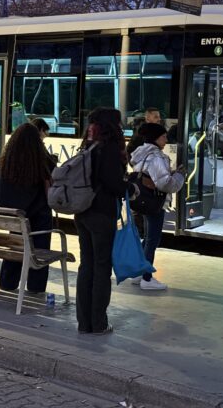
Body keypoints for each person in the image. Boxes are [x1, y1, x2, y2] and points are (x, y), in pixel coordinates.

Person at [75, 107, 138, 335]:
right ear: (113, 124)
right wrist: (131, 188)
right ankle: (99, 322)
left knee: (86, 266)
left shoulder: (88, 145)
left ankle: (84, 323)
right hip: (102, 213)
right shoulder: (109, 148)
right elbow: (112, 182)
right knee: (101, 267)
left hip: (83, 212)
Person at [0, 123, 53, 293]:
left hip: (14, 220)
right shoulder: (43, 163)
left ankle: (7, 282)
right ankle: (36, 286)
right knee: (40, 248)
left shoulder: (5, 164)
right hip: (39, 222)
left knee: (16, 243)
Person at [129, 123, 184, 291]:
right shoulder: (156, 157)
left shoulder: (141, 153)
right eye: (163, 137)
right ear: (155, 138)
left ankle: (139, 272)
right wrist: (179, 176)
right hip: (154, 202)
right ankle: (147, 278)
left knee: (148, 238)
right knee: (152, 240)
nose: (166, 140)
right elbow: (165, 184)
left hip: (143, 199)